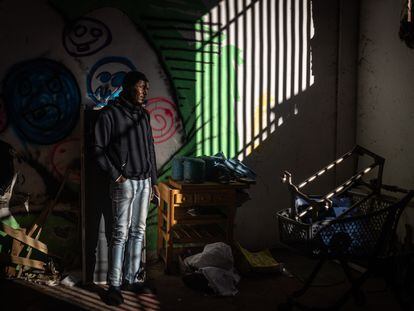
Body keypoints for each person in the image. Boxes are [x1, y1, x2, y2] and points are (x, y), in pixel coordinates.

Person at [94, 71, 160, 306]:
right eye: (141, 87)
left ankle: (131, 280)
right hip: (125, 183)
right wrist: (117, 175)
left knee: (138, 231)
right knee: (120, 233)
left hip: (143, 182)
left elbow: (150, 149)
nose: (145, 92)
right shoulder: (110, 115)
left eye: (146, 88)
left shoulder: (143, 116)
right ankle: (114, 285)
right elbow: (99, 150)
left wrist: (153, 181)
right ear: (128, 87)